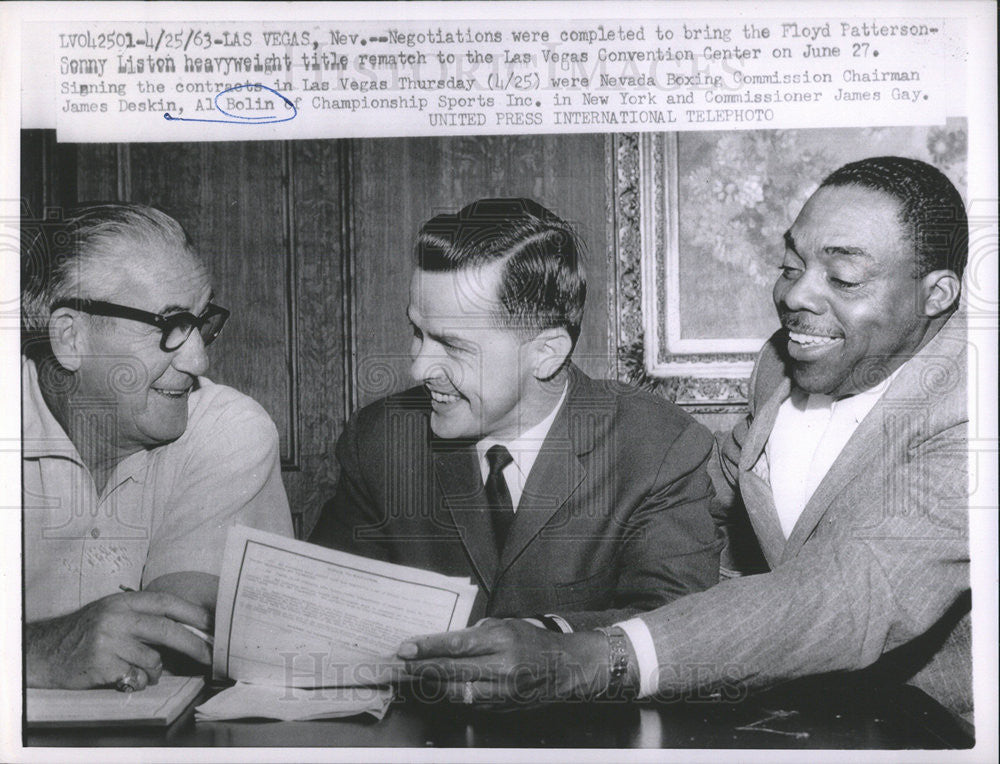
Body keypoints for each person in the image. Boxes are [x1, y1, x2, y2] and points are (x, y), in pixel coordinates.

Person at [396, 157, 973, 721]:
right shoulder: (781, 365)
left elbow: (851, 593)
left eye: (843, 277)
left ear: (937, 295)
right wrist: (560, 623)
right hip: (796, 707)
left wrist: (597, 657)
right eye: (791, 266)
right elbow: (709, 505)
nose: (796, 296)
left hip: (938, 726)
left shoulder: (972, 411)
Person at [310, 197, 721, 631]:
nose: (418, 367)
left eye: (452, 345)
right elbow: (328, 614)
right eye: (417, 331)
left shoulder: (656, 448)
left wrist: (544, 646)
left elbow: (677, 629)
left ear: (546, 353)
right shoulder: (379, 441)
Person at [22, 203, 293, 691]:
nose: (198, 358)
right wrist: (36, 651)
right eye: (169, 325)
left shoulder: (225, 429)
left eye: (201, 322)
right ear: (69, 336)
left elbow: (183, 633)